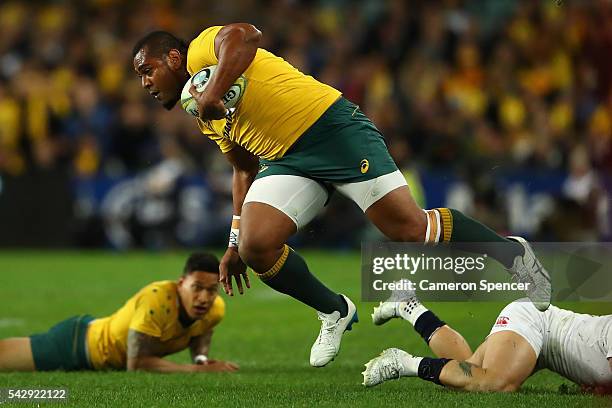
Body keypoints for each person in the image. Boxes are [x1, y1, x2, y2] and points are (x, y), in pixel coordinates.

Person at [132, 23, 551, 367]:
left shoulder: (201, 50)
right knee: (255, 245)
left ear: (172, 59)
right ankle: (334, 309)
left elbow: (246, 36)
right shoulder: (200, 113)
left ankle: (514, 255)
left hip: (332, 131)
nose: (146, 83)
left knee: (410, 229)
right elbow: (243, 168)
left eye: (147, 70)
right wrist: (232, 240)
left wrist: (212, 90)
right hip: (286, 161)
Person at [0, 253, 238, 373]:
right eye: (197, 288)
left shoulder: (214, 309)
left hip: (93, 345)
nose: (204, 298)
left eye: (211, 290)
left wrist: (201, 358)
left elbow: (199, 332)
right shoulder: (156, 300)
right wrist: (197, 371)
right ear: (181, 283)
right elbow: (136, 364)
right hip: (77, 345)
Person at [362, 280, 612, 394]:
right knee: (496, 384)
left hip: (545, 338)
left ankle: (410, 307)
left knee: (469, 373)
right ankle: (404, 363)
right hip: (537, 322)